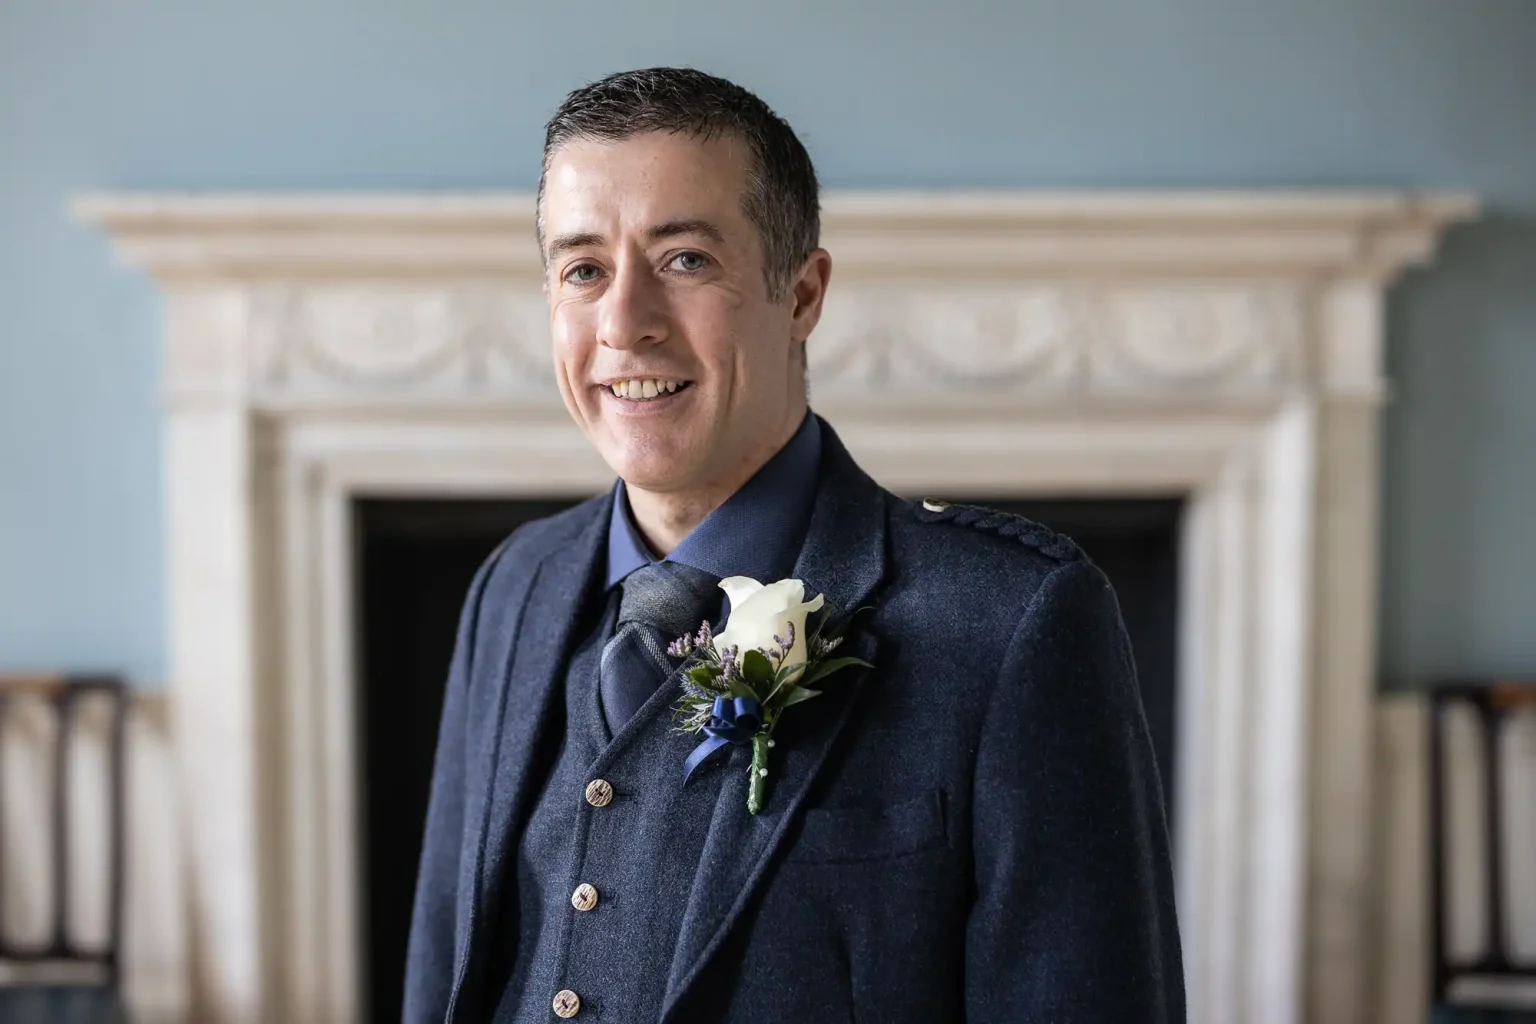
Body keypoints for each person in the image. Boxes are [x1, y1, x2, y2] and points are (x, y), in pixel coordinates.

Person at [404, 67, 1183, 1024]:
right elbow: (441, 972)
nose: (624, 323)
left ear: (803, 293)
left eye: (685, 259)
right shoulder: (513, 588)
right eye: (583, 270)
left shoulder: (1014, 623)